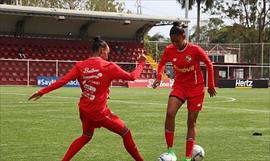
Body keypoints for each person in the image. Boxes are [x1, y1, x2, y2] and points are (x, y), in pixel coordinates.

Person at [28, 36, 146, 161]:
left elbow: (63, 80)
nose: (108, 55)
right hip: (98, 112)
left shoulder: (80, 65)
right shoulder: (109, 66)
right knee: (126, 133)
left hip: (84, 110)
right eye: (107, 52)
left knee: (86, 136)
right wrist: (142, 63)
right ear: (101, 50)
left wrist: (42, 91)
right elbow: (133, 76)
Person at [152, 22, 217, 161]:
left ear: (183, 36)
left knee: (191, 122)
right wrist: (159, 77)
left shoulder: (195, 50)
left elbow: (209, 64)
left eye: (177, 40)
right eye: (172, 41)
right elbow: (162, 63)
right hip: (180, 86)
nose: (174, 44)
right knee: (170, 113)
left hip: (196, 88)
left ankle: (187, 158)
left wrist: (211, 85)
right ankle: (170, 151)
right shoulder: (169, 50)